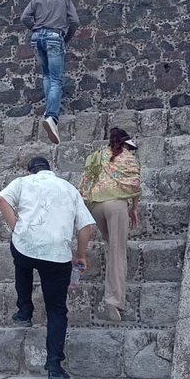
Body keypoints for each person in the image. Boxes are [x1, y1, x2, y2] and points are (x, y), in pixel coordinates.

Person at [0, 157, 95, 379]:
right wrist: (80, 255)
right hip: (57, 255)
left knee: (21, 261)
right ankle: (54, 366)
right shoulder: (69, 188)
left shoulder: (23, 182)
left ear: (30, 171)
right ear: (50, 171)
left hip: (25, 246)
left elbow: (2, 198)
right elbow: (86, 227)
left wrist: (16, 227)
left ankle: (24, 311)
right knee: (57, 310)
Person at [79, 129, 140, 323]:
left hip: (97, 207)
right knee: (117, 251)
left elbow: (85, 182)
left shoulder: (96, 156)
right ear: (125, 144)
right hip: (117, 205)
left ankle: (111, 287)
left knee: (110, 246)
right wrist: (134, 208)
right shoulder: (128, 157)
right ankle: (113, 299)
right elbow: (135, 185)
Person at [20, 0, 79, 145]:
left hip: (37, 38)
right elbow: (75, 21)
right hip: (54, 37)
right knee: (56, 79)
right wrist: (66, 38)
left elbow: (24, 17)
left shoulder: (36, 0)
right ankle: (52, 117)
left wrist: (36, 29)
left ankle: (48, 111)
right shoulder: (64, 0)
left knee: (46, 76)